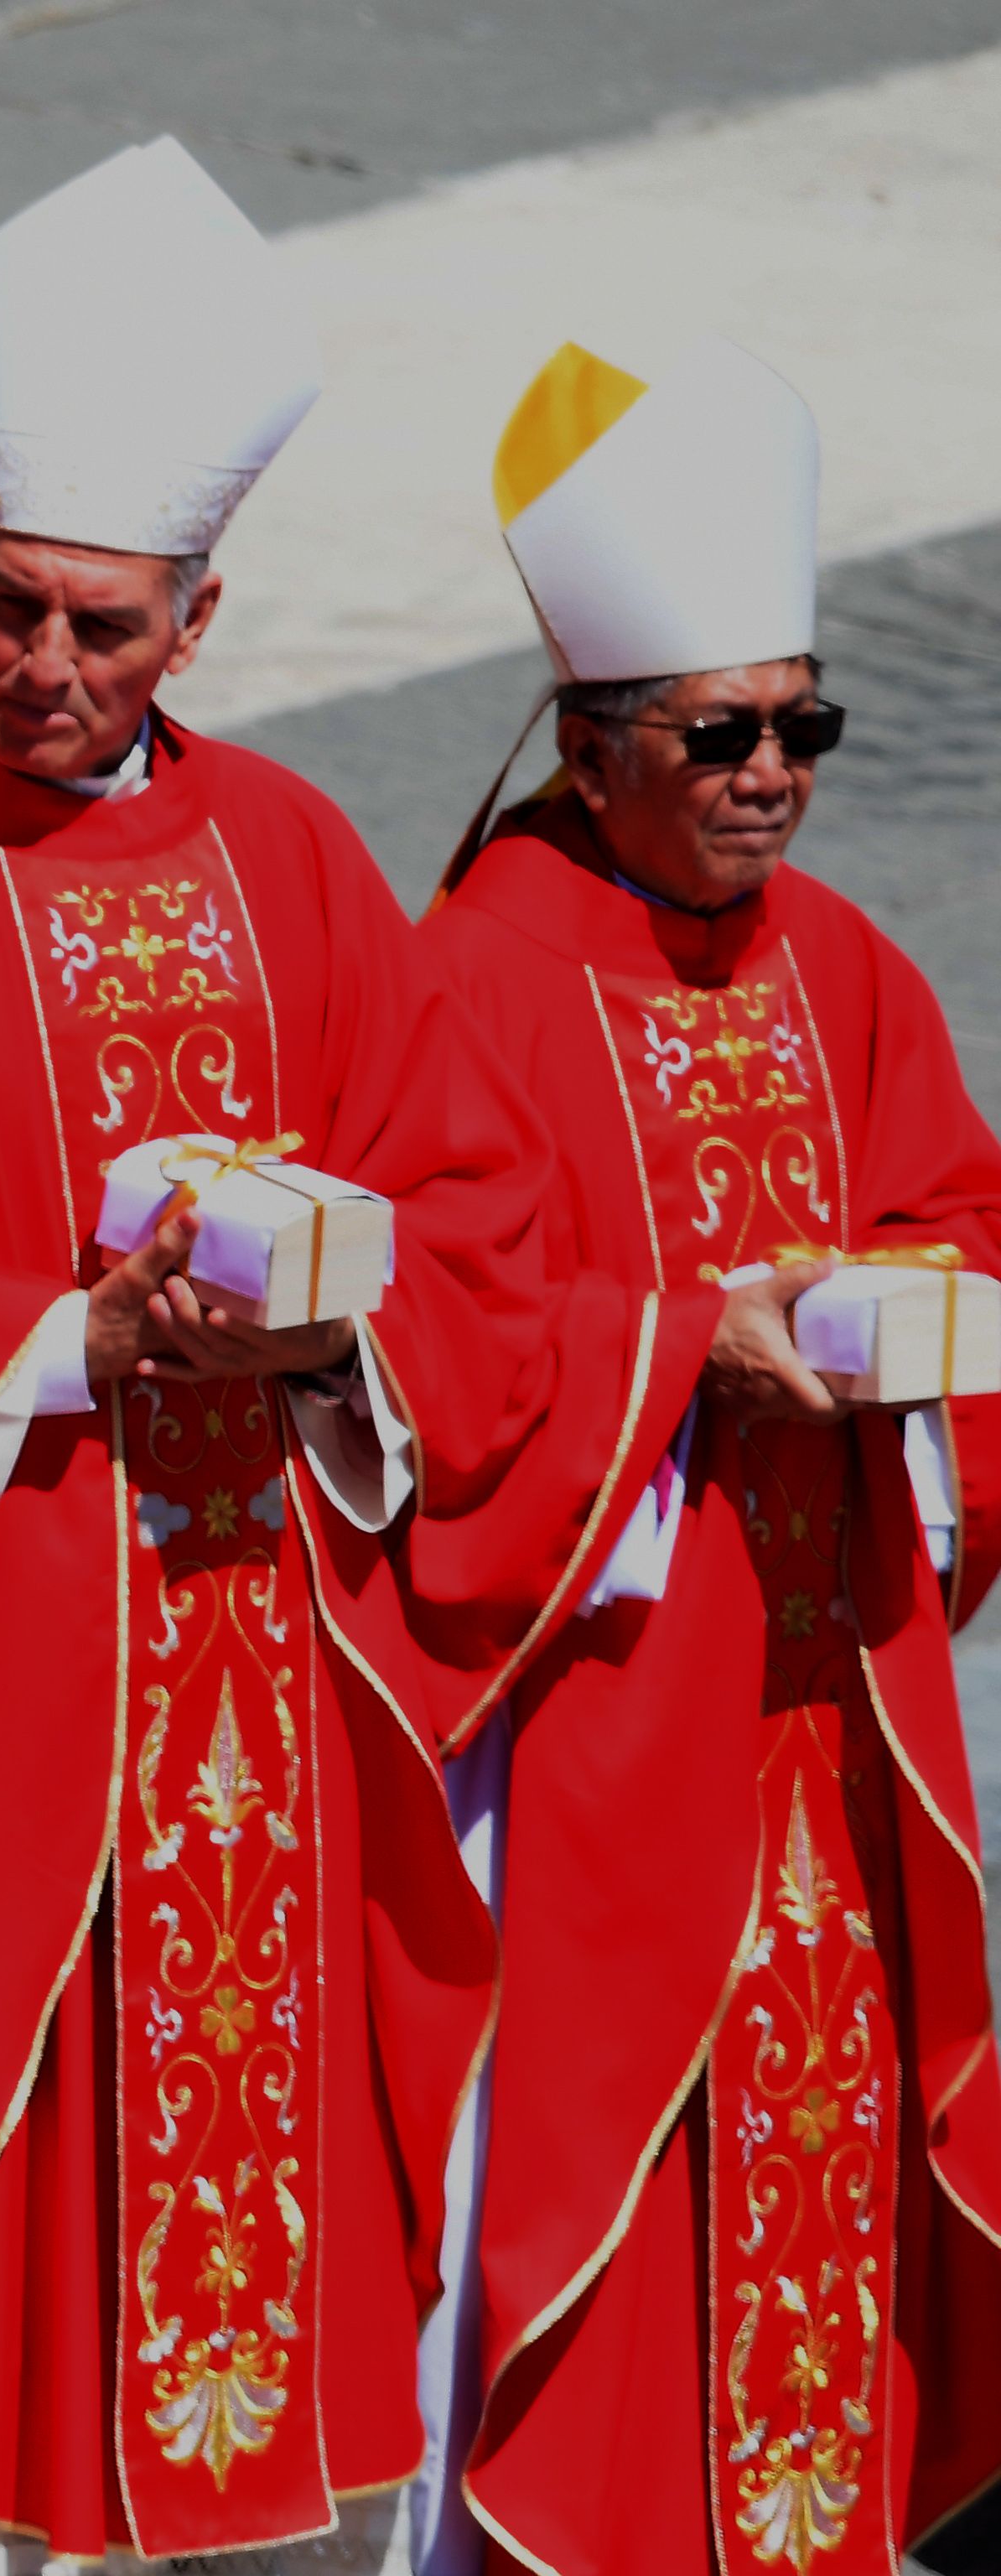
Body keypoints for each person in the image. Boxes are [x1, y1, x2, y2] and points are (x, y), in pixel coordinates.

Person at [0, 141, 583, 2572]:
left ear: (203, 623)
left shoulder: (294, 860)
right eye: (12, 609)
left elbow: (482, 1238)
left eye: (107, 630)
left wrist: (346, 1326)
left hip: (255, 1707)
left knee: (220, 2296)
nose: (44, 670)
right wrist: (59, 1343)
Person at [408, 337, 1001, 2576]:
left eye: (807, 730)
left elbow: (959, 1200)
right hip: (596, 1713)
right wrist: (685, 1356)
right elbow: (439, 1332)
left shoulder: (835, 960)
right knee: (586, 2207)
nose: (774, 783)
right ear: (587, 744)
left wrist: (926, 1332)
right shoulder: (475, 975)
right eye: (721, 738)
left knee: (815, 2166)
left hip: (825, 1710)